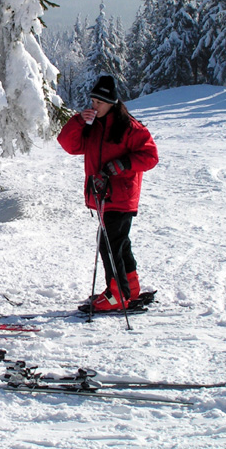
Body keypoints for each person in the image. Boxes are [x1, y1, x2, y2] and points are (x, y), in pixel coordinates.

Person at [57, 75, 158, 312]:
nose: (94, 106)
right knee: (119, 245)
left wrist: (123, 164)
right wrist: (79, 121)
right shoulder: (93, 127)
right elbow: (69, 145)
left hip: (121, 197)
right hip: (103, 196)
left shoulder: (131, 127)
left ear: (111, 102)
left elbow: (151, 156)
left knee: (109, 245)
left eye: (98, 103)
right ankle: (129, 288)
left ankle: (117, 295)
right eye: (92, 101)